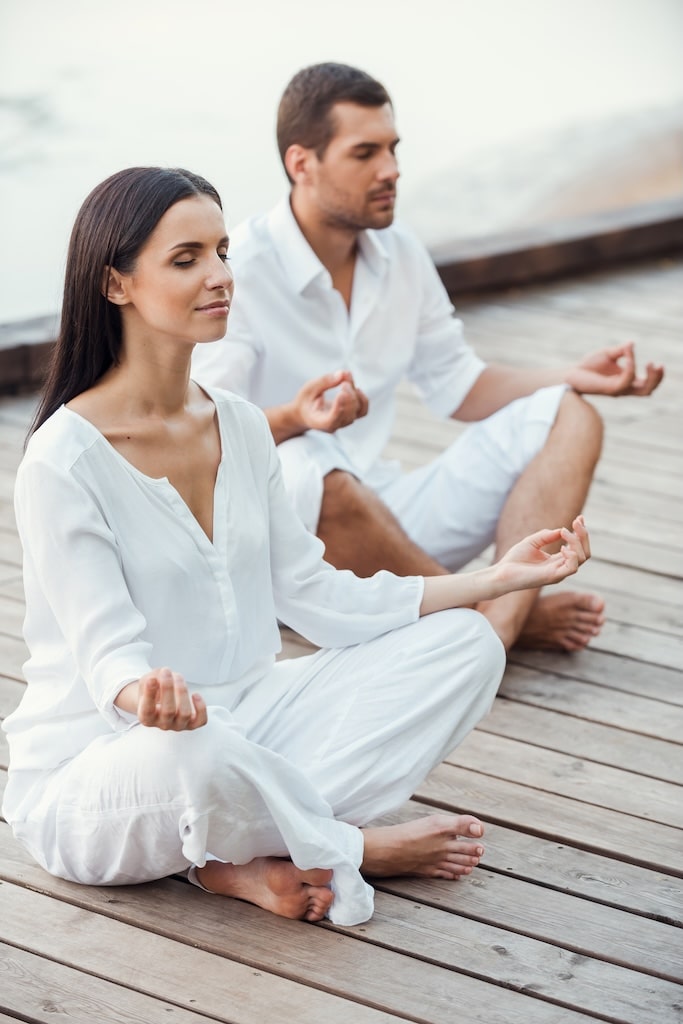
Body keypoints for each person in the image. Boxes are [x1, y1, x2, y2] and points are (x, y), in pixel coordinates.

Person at [3, 166, 591, 928]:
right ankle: (345, 843)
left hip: (252, 719)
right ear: (116, 284)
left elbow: (319, 594)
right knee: (202, 753)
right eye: (186, 260)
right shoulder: (64, 459)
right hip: (110, 767)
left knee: (468, 646)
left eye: (221, 251)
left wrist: (496, 579)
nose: (218, 276)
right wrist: (146, 697)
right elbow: (107, 656)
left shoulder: (242, 425)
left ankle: (230, 857)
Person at [192, 61, 664, 654]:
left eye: (393, 148)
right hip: (281, 549)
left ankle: (492, 626)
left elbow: (460, 385)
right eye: (365, 153)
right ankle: (494, 620)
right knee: (309, 463)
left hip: (384, 518)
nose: (391, 170)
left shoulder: (400, 254)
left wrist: (573, 376)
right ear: (301, 164)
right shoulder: (241, 273)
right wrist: (297, 418)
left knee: (570, 413)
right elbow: (203, 439)